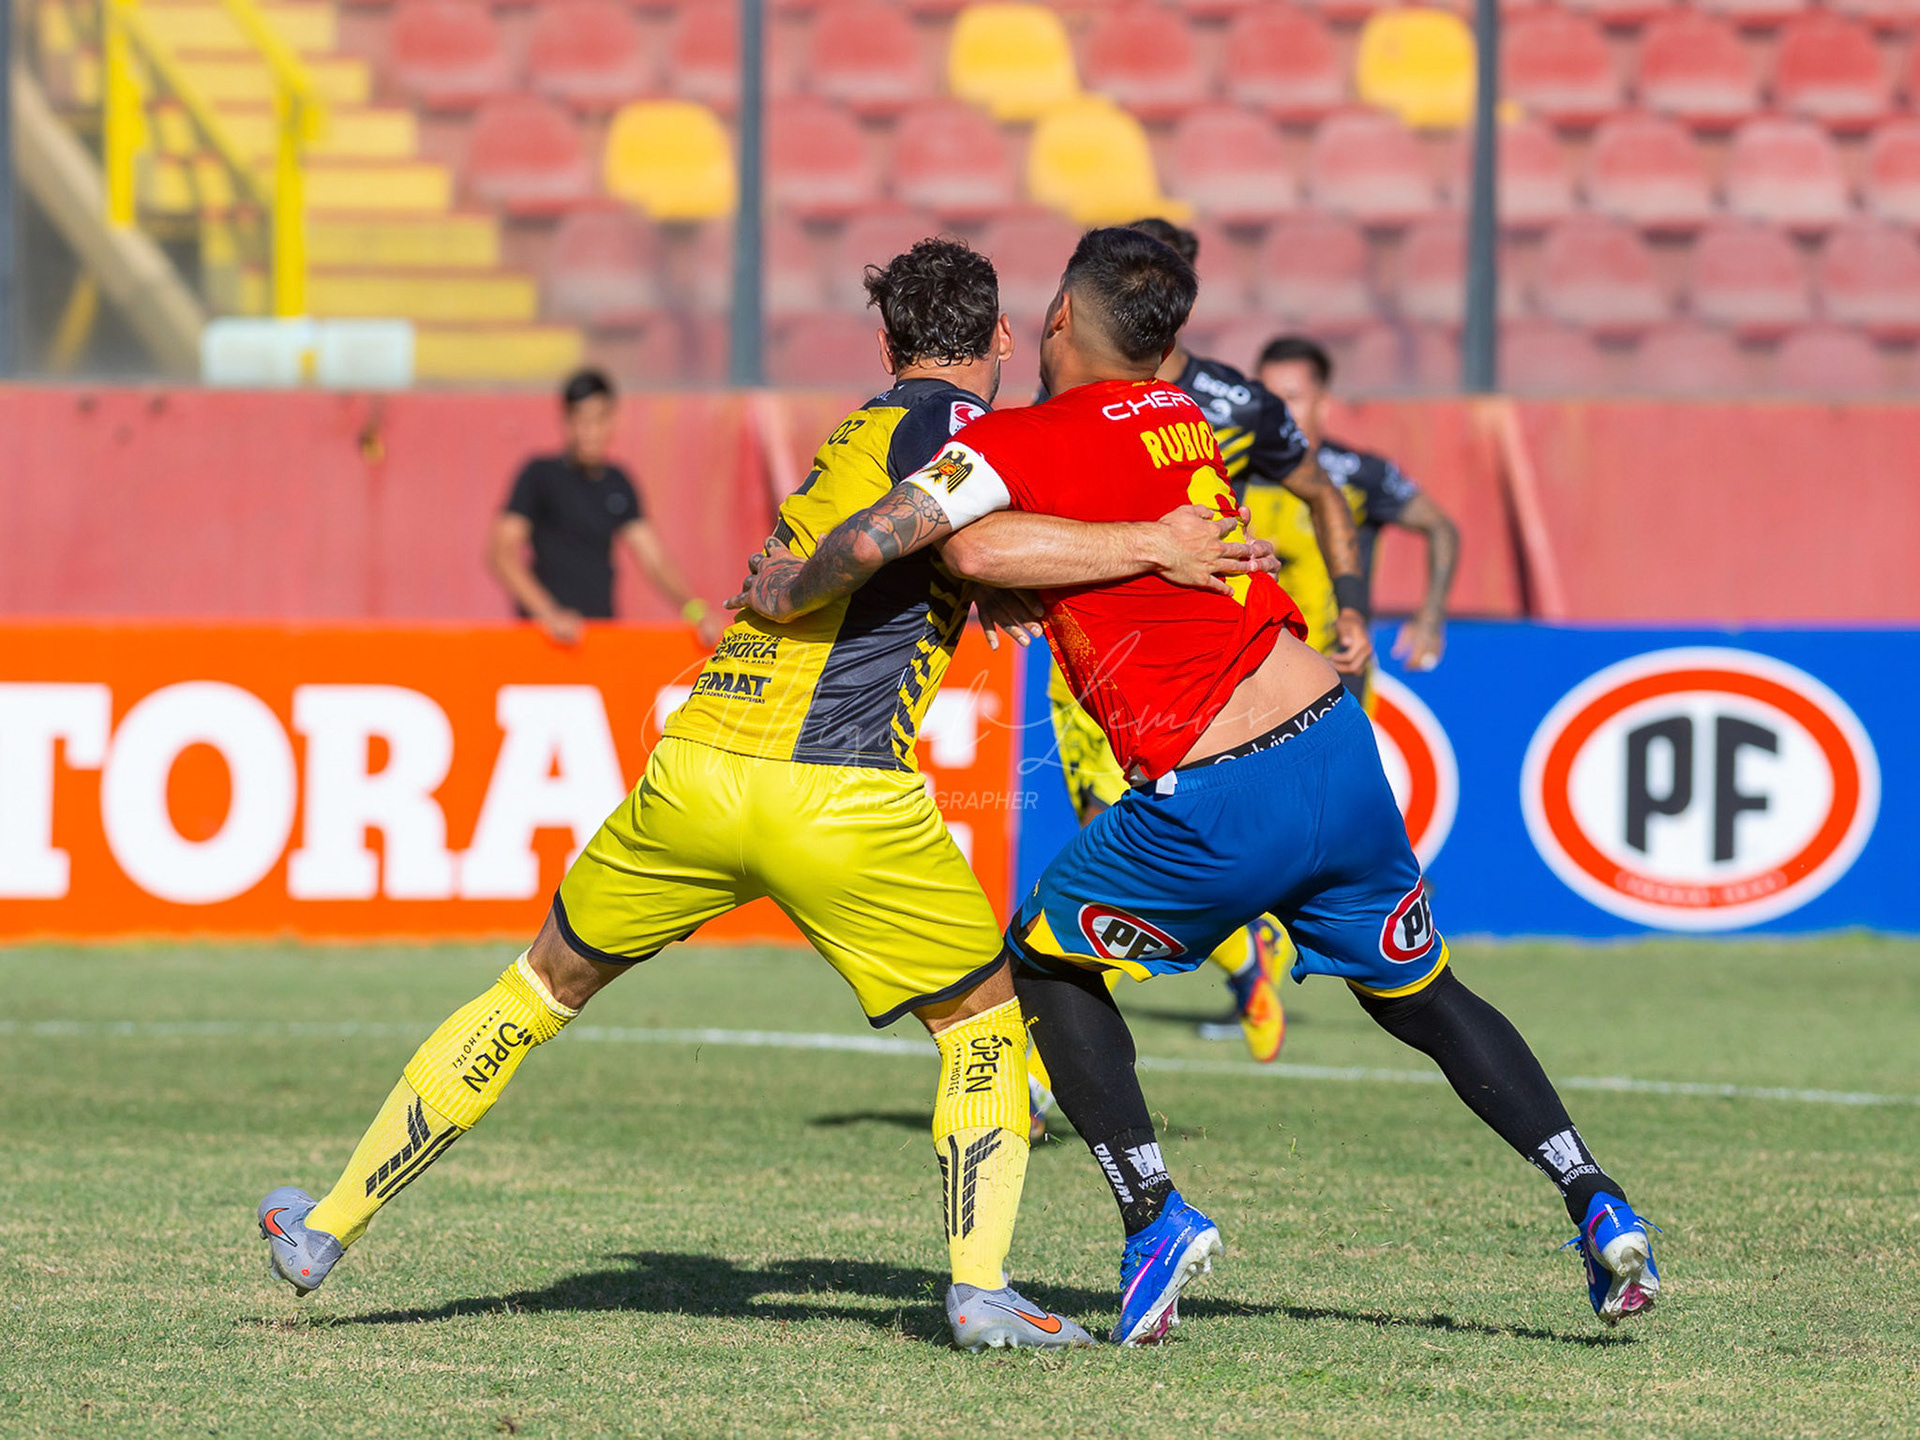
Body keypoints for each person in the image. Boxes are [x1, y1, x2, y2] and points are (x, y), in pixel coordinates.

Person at [256, 239, 1278, 1353]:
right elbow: (972, 544)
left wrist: (961, 597)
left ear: (887, 344)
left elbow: (916, 561)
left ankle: (327, 1225)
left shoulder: (854, 431)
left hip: (694, 769)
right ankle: (981, 1292)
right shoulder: (964, 436)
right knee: (985, 1022)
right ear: (996, 338)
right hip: (835, 795)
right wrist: (1148, 545)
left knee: (537, 986)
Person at [734, 227, 1660, 1348]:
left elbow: (942, 543)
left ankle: (1151, 1211)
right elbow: (1092, 539)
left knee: (1041, 956)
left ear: (1063, 321)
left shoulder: (1019, 438)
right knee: (1424, 995)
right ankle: (1593, 1195)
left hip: (1220, 779)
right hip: (1336, 746)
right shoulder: (1183, 421)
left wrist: (790, 586)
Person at [1034, 217, 1377, 1066]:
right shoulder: (1074, 389)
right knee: (1104, 823)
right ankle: (1222, 964)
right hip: (1090, 643)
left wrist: (1355, 604)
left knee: (1128, 839)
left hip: (1186, 661)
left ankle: (1053, 1055)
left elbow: (1327, 496)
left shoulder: (1230, 404)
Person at [1254, 336, 1461, 694]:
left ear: (1322, 404)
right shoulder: (1230, 469)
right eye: (1267, 399)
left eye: (1291, 398)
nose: (1278, 411)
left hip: (1337, 669)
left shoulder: (1358, 473)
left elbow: (1441, 528)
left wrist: (1430, 618)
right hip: (1252, 672)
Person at [488, 368, 724, 648]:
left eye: (599, 420)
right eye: (581, 420)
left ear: (613, 421)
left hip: (599, 639)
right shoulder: (539, 475)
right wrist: (548, 614)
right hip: (545, 642)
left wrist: (695, 612)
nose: (591, 431)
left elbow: (654, 560)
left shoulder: (618, 483)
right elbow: (501, 552)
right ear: (566, 421)